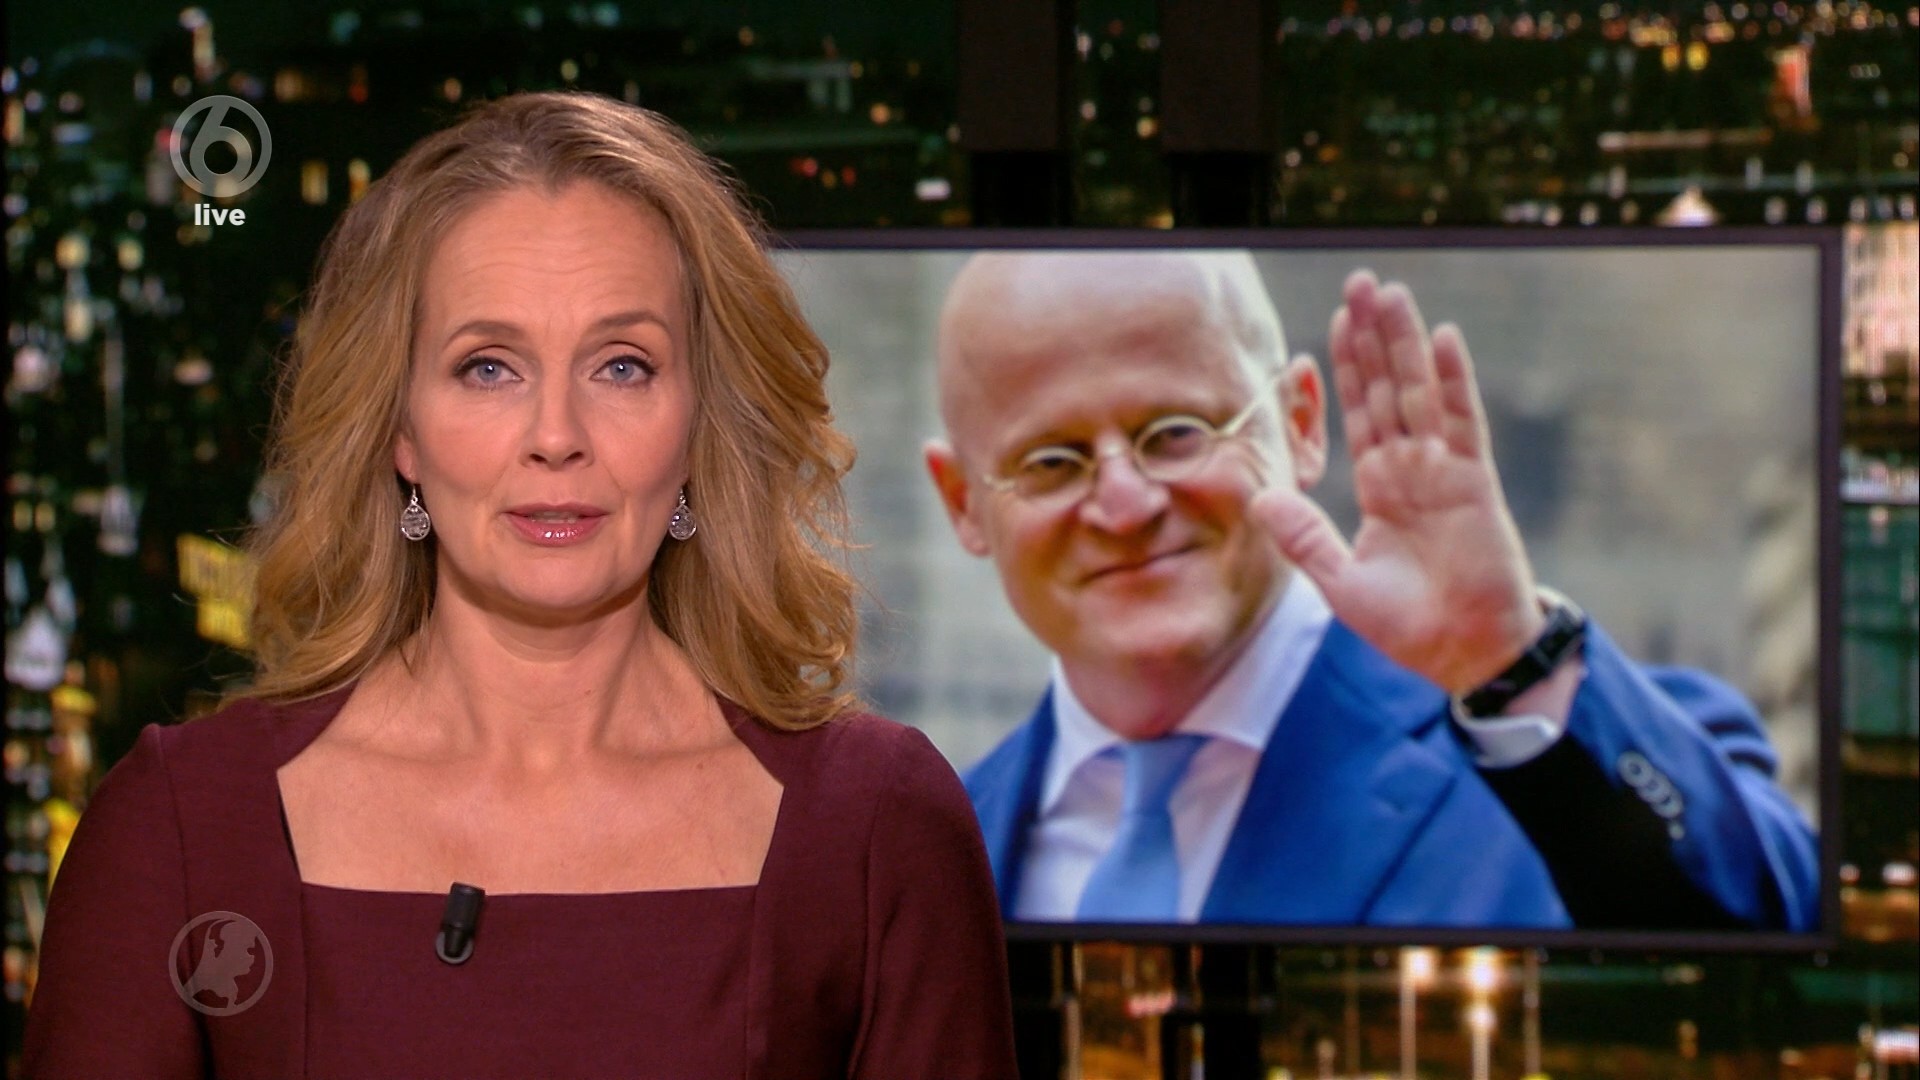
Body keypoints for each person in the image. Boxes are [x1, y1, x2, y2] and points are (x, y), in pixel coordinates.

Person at [24, 91, 1016, 1078]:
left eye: (622, 367)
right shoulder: (184, 829)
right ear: (401, 431)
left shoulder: (874, 829)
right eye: (488, 368)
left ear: (698, 426)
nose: (556, 436)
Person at [925, 250, 1819, 930]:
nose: (1124, 506)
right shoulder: (921, 846)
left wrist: (1507, 662)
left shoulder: (1550, 758)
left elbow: (1781, 941)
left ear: (1301, 424)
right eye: (1051, 462)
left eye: (1175, 432)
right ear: (964, 502)